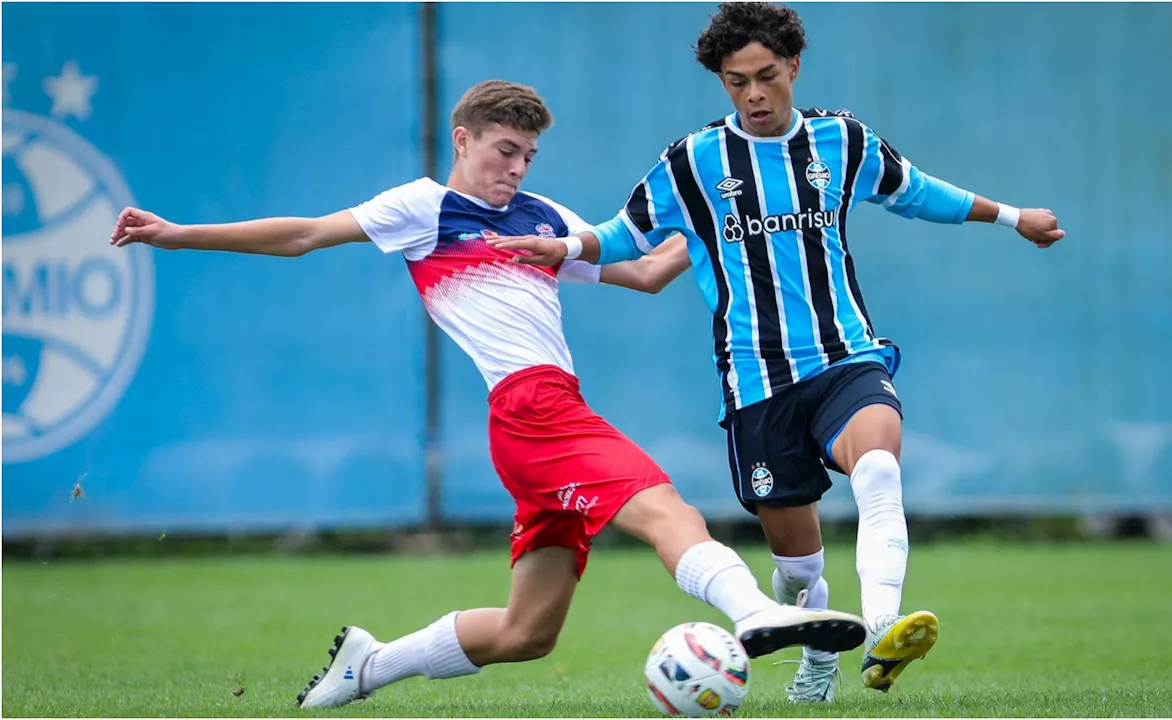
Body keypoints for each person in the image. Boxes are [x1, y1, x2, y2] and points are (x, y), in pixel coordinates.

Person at [108, 79, 869, 710]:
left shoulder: (545, 219)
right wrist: (178, 234)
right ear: (462, 136)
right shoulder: (424, 207)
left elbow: (640, 272)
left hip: (540, 420)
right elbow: (305, 233)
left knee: (526, 633)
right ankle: (755, 613)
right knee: (669, 509)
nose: (517, 167)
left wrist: (712, 221)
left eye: (529, 155)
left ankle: (371, 664)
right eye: (506, 150)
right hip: (534, 412)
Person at [488, 2, 1067, 703]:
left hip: (846, 357)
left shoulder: (841, 141)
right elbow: (624, 237)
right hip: (758, 383)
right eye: (737, 82)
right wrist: (567, 246)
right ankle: (818, 651)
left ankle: (883, 624)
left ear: (793, 66)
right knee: (798, 568)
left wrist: (1013, 218)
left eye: (766, 76)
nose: (754, 94)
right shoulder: (694, 161)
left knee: (879, 466)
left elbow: (915, 193)